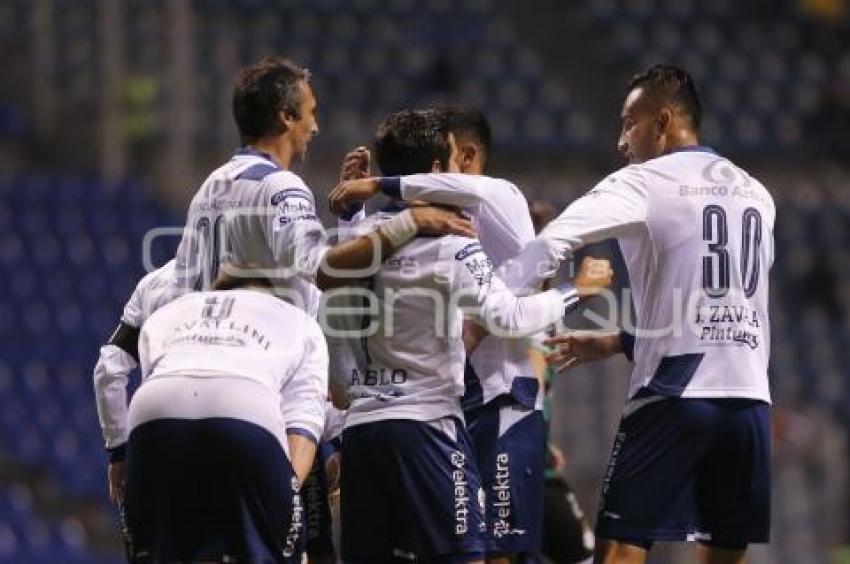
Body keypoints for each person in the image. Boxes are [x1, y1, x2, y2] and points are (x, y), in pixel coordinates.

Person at [516, 65, 774, 564]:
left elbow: (552, 241)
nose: (621, 140)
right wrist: (620, 341)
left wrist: (502, 297)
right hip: (749, 397)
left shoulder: (643, 181)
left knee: (620, 549)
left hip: (674, 392)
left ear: (662, 120)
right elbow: (718, 306)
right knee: (725, 552)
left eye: (628, 122)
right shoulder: (757, 193)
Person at [329, 110, 609, 564]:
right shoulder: (451, 238)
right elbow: (508, 315)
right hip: (436, 416)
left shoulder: (360, 243)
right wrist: (577, 291)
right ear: (440, 168)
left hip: (478, 406)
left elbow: (333, 284)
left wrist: (358, 204)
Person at [173, 56, 475, 314]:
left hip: (200, 347)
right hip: (261, 364)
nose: (315, 127)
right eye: (311, 113)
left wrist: (351, 216)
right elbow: (324, 271)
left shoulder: (209, 187)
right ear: (287, 118)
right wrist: (409, 221)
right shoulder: (280, 185)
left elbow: (183, 281)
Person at [122, 268, 329, 563]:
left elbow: (166, 413)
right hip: (245, 407)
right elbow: (303, 430)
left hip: (154, 410)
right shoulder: (298, 321)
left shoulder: (168, 313)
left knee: (157, 551)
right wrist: (278, 495)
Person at [92, 259, 187, 505]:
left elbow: (108, 369)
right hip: (229, 430)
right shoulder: (255, 287)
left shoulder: (153, 284)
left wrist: (118, 450)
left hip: (157, 432)